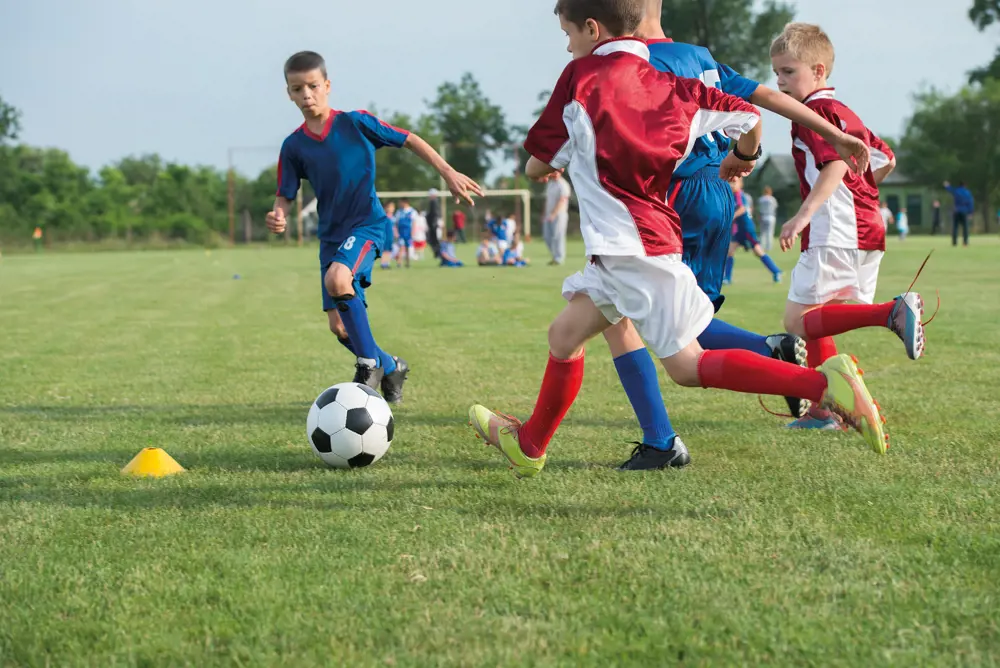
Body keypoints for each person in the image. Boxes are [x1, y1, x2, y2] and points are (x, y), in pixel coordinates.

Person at [467, 1, 888, 480]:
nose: (566, 46)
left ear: (591, 28)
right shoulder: (676, 87)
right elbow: (751, 115)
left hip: (632, 248)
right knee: (564, 336)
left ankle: (821, 385)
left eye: (567, 34)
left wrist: (559, 159)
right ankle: (529, 445)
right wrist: (746, 157)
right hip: (636, 243)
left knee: (688, 366)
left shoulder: (579, 76)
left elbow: (536, 165)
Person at [586, 0, 879, 470]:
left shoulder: (631, 63)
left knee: (672, 331)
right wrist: (762, 149)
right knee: (644, 316)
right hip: (717, 195)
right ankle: (663, 435)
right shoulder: (700, 57)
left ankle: (767, 376)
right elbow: (761, 102)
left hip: (670, 198)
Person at [267, 50, 482, 403]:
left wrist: (447, 172)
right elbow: (284, 195)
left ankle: (369, 365)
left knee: (338, 279)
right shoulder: (293, 146)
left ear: (327, 85)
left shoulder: (356, 123)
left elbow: (409, 139)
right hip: (330, 239)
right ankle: (390, 364)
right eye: (297, 89)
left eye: (313, 86)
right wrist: (279, 214)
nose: (306, 95)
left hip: (367, 225)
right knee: (339, 326)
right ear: (288, 93)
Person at [770, 23, 925, 430]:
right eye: (777, 74)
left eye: (789, 72)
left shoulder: (814, 113)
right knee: (817, 315)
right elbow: (885, 159)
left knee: (797, 321)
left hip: (834, 227)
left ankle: (891, 313)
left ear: (818, 71)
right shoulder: (845, 111)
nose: (780, 81)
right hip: (864, 227)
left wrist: (803, 214)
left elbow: (837, 162)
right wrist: (861, 196)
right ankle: (827, 409)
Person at [724, 177, 783, 284]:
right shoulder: (733, 195)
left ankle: (776, 271)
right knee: (730, 252)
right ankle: (727, 278)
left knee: (758, 251)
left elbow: (742, 209)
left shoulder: (738, 194)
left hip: (747, 229)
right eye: (730, 182)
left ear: (741, 184)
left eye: (734, 182)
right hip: (739, 230)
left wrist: (731, 217)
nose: (731, 185)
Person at [543, 172, 572, 265]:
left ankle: (559, 258)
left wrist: (554, 214)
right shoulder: (550, 184)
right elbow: (547, 200)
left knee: (558, 236)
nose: (554, 174)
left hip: (559, 215)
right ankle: (555, 256)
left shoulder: (563, 184)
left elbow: (562, 200)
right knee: (547, 236)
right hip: (548, 214)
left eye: (556, 172)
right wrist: (544, 214)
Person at [944, 181, 974, 246]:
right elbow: (970, 203)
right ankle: (965, 242)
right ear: (965, 185)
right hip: (964, 211)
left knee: (955, 227)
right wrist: (970, 213)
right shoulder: (967, 192)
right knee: (965, 227)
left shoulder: (956, 191)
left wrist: (947, 185)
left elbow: (950, 189)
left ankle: (954, 242)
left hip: (957, 210)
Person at [394, 198, 416, 268]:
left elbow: (414, 223)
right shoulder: (399, 212)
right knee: (401, 247)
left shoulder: (412, 211)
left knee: (408, 248)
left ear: (405, 203)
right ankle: (399, 263)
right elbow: (396, 223)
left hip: (408, 233)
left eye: (400, 203)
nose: (399, 204)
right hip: (401, 233)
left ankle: (408, 263)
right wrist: (396, 232)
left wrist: (412, 233)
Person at [757, 186, 778, 251]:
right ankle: (768, 247)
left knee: (762, 232)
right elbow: (775, 208)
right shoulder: (773, 199)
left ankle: (761, 246)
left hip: (763, 216)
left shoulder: (761, 199)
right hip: (771, 216)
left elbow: (759, 209)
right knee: (770, 232)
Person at [426, 188, 442, 258]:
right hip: (434, 223)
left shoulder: (434, 202)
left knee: (434, 239)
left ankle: (438, 253)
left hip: (434, 224)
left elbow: (435, 214)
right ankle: (437, 253)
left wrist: (433, 223)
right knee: (434, 239)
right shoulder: (434, 202)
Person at [380, 201, 396, 269]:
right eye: (390, 207)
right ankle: (383, 264)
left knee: (389, 250)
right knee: (385, 250)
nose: (392, 208)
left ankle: (387, 263)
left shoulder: (393, 217)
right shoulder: (384, 217)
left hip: (390, 236)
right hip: (385, 236)